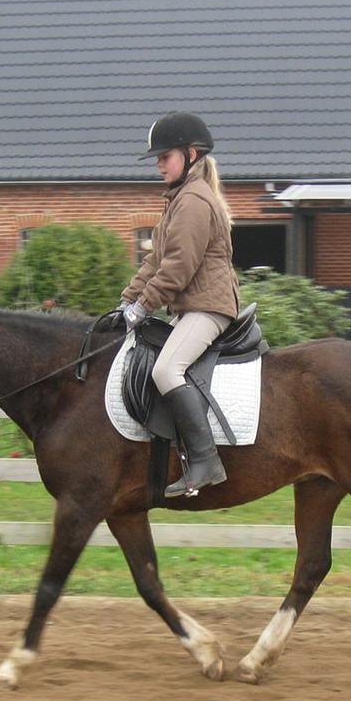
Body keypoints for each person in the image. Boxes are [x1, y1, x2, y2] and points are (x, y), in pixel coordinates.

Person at [119, 111, 240, 497]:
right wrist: (125, 302)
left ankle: (206, 462)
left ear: (190, 154)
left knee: (167, 370)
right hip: (195, 305)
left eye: (164, 156)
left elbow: (178, 267)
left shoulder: (194, 202)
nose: (157, 164)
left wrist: (144, 307)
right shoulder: (178, 200)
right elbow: (154, 261)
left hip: (210, 306)